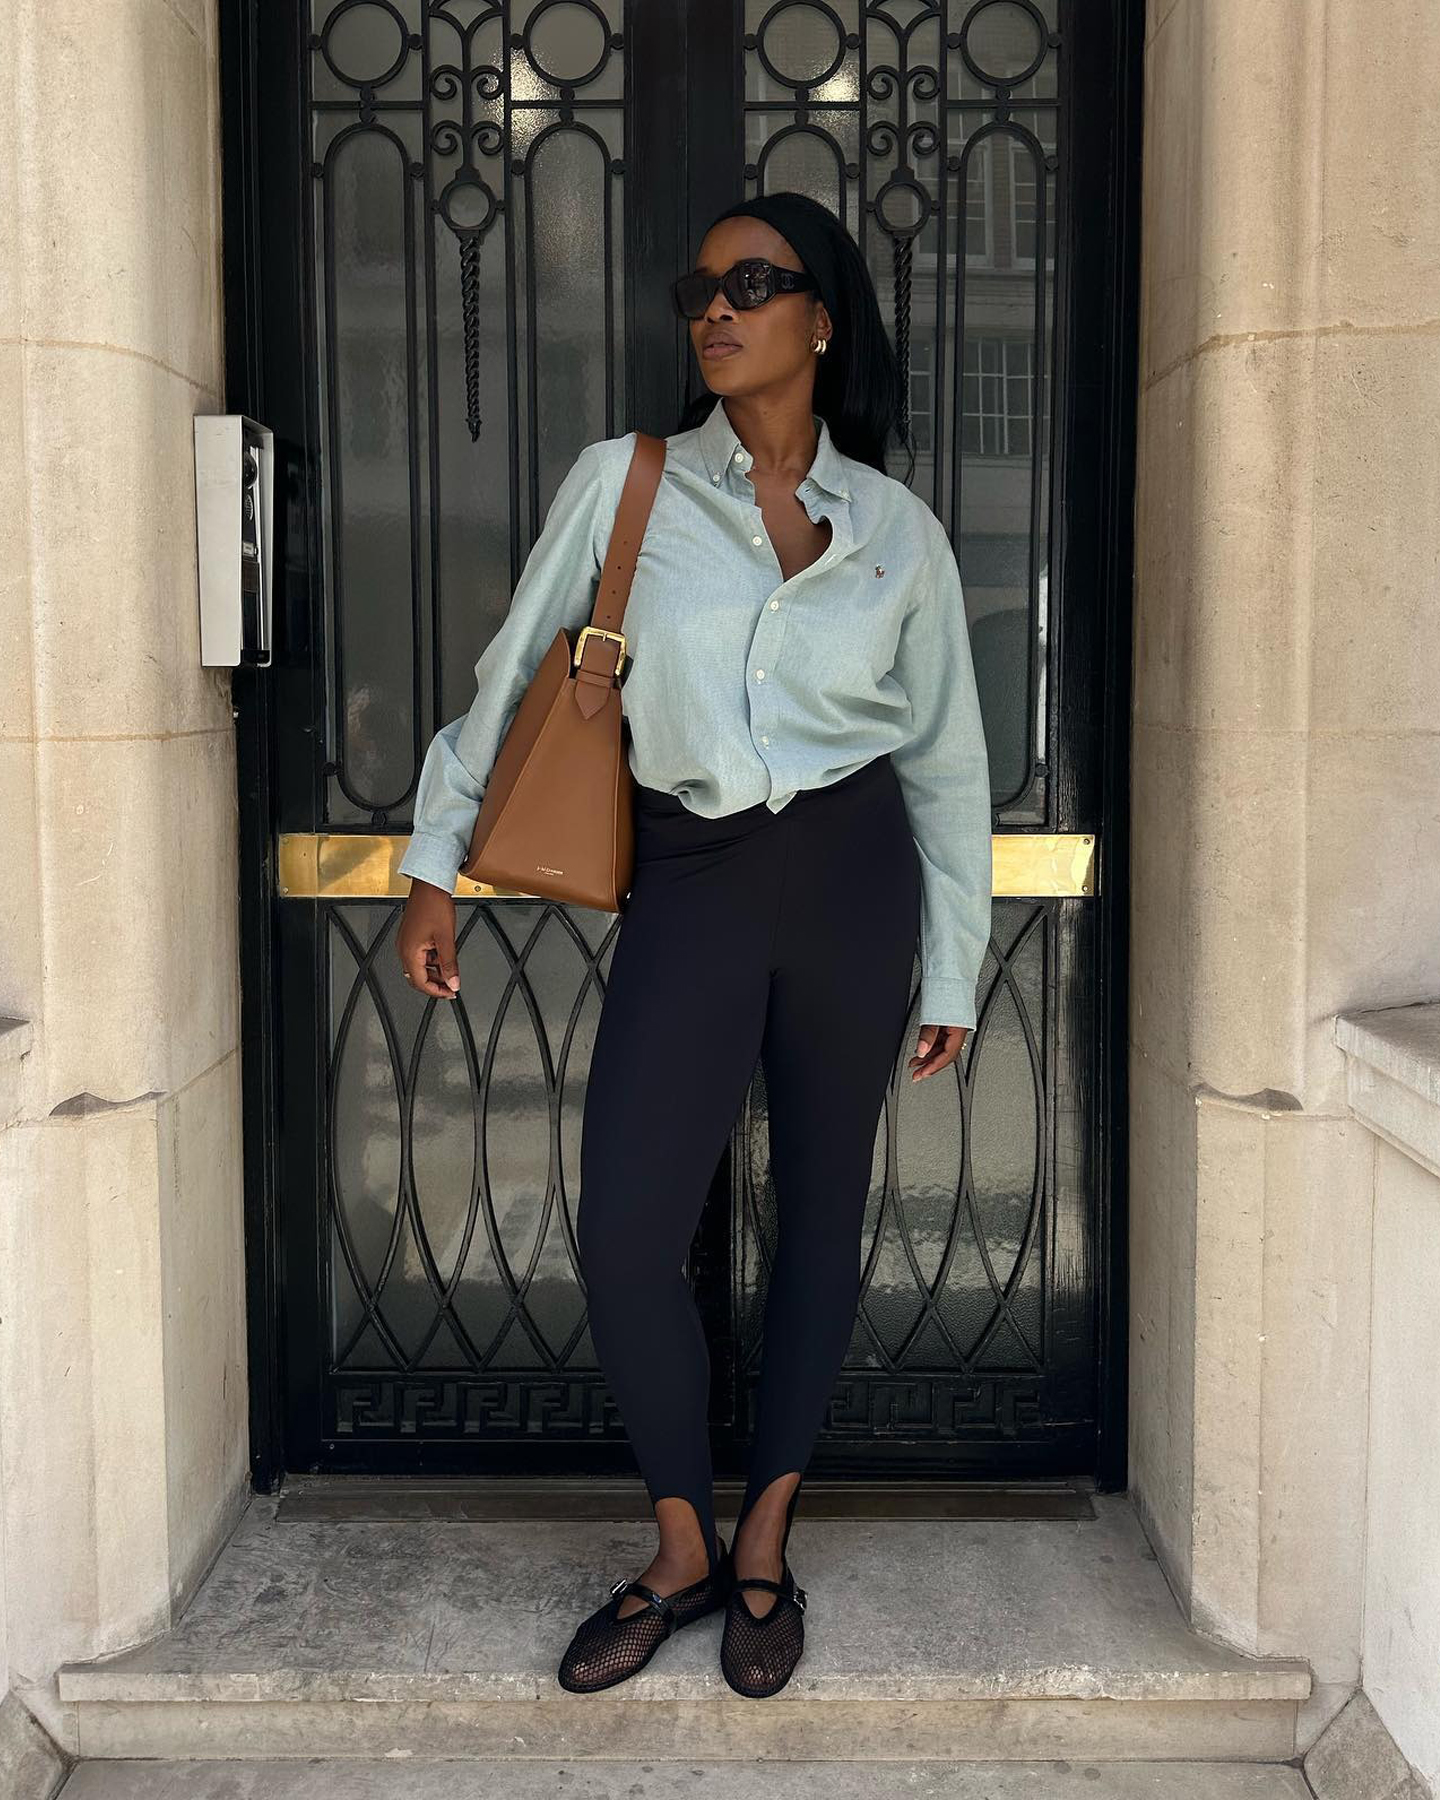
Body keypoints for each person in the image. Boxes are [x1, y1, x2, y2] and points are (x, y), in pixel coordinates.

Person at [394, 191, 992, 1700]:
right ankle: (679, 1546)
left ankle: (769, 1540)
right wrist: (434, 864)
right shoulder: (631, 485)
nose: (714, 308)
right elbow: (517, 662)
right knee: (623, 1231)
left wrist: (951, 965)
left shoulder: (897, 535)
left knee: (823, 1222)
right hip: (697, 873)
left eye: (751, 281)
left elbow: (945, 769)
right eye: (698, 285)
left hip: (853, 879)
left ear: (821, 319)